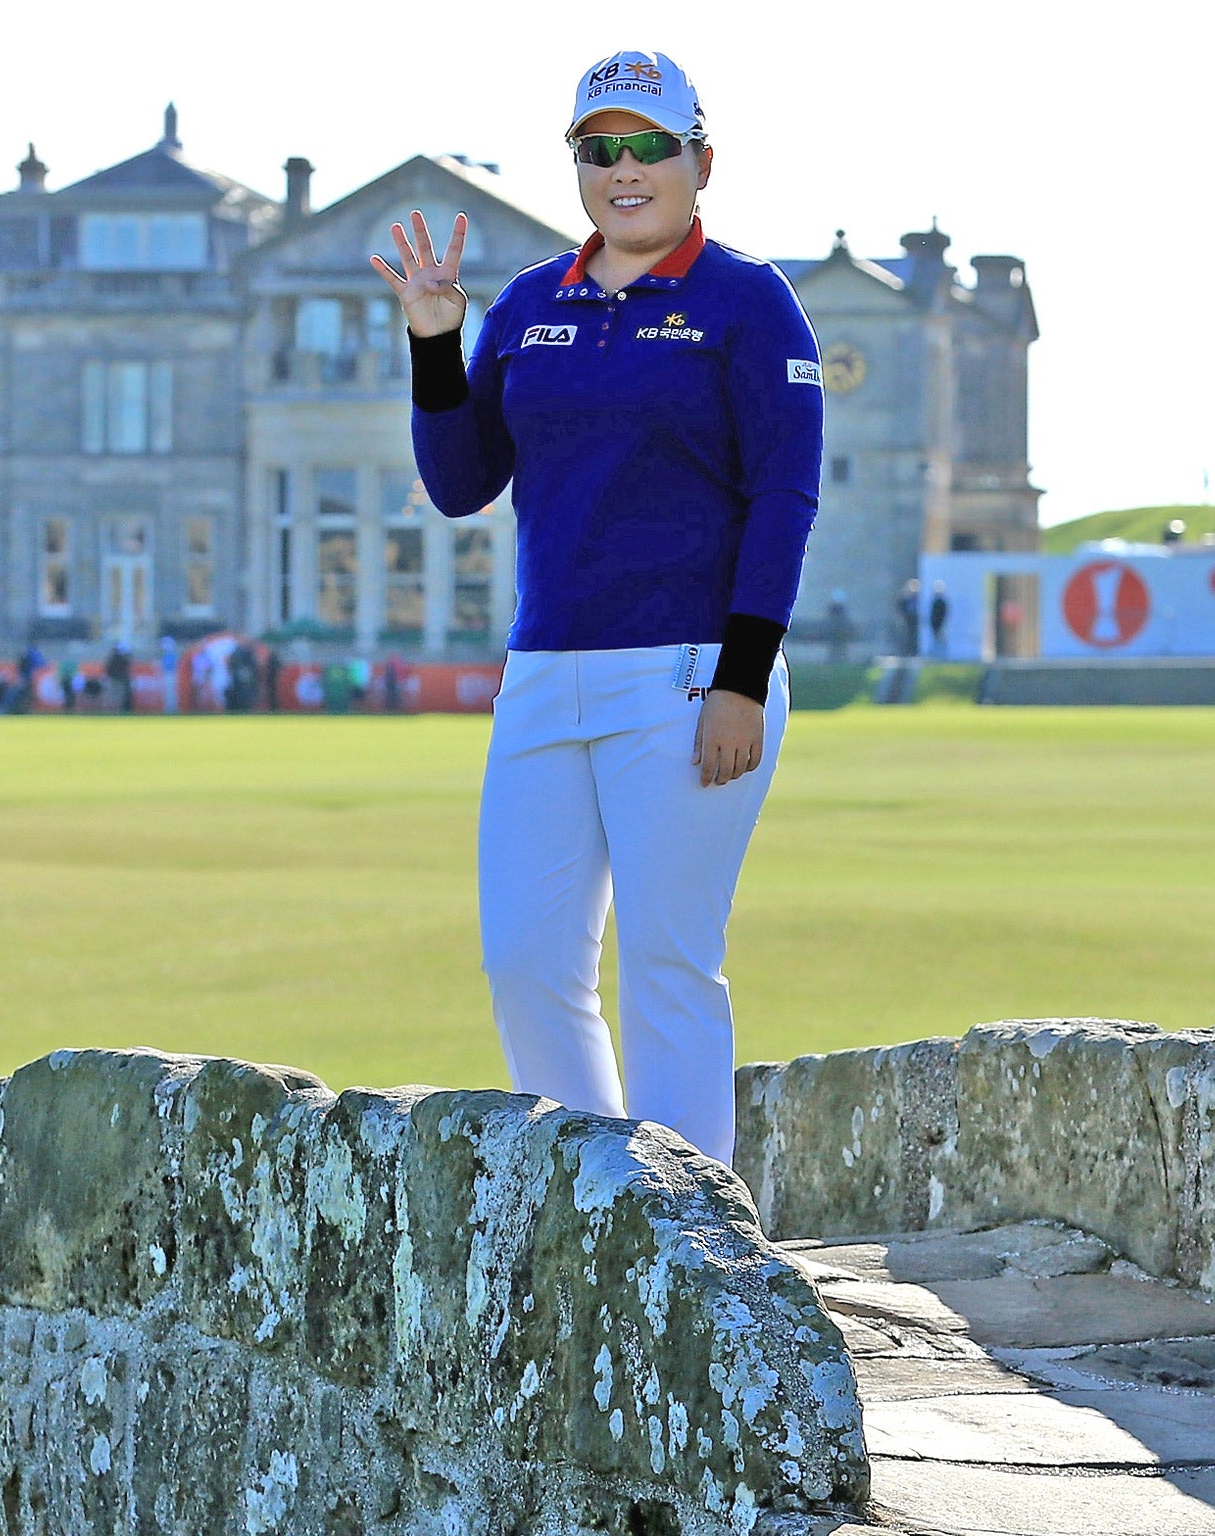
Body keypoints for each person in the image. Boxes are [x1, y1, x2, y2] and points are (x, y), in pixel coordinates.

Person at [373, 49, 820, 1167]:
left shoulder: (748, 301)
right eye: (597, 149)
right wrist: (436, 341)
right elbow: (463, 479)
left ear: (698, 161)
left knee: (667, 965)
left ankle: (695, 1256)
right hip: (543, 676)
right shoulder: (530, 303)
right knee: (527, 962)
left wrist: (743, 678)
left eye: (648, 147)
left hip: (687, 676)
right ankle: (603, 1213)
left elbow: (784, 496)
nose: (624, 170)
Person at [106, 640, 134, 713]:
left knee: (119, 696)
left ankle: (121, 709)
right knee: (119, 696)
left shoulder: (114, 657)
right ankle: (120, 709)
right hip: (119, 679)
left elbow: (108, 668)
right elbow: (109, 668)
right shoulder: (118, 658)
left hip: (119, 679)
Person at [897, 579, 921, 656]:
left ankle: (913, 652)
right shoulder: (904, 598)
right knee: (906, 636)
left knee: (914, 636)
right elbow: (901, 608)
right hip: (907, 619)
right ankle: (906, 652)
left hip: (914, 619)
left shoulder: (918, 598)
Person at [928, 581, 949, 655]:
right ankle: (937, 653)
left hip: (939, 623)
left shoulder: (942, 602)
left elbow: (943, 614)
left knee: (940, 639)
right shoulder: (935, 601)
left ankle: (942, 653)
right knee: (937, 639)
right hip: (935, 623)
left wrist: (941, 623)